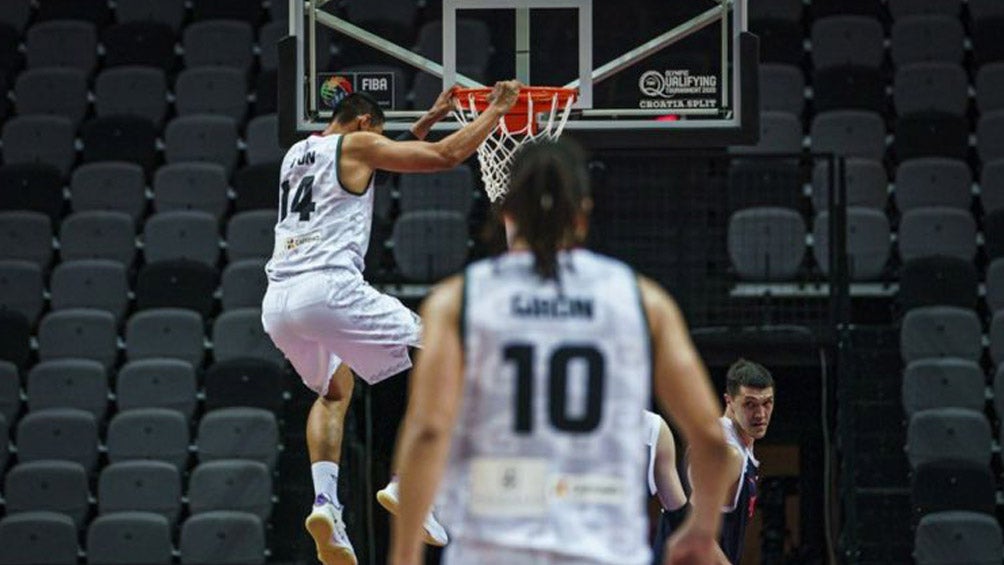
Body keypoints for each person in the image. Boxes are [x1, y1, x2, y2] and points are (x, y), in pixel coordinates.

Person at [389, 139, 734, 565]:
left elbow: (427, 432)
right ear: (583, 213)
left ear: (506, 211)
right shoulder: (642, 300)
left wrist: (404, 555)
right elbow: (710, 438)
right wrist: (701, 532)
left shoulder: (457, 301)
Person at [261, 81, 522, 565]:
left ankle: (326, 505)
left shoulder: (298, 152)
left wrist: (431, 115)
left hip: (278, 303)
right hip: (330, 290)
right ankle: (408, 485)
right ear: (364, 124)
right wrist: (497, 112)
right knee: (446, 360)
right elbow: (443, 157)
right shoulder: (358, 144)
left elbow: (389, 152)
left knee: (334, 392)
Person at [651, 358, 775, 564]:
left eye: (767, 403)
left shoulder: (729, 446)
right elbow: (690, 526)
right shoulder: (727, 454)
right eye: (750, 404)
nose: (760, 414)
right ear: (729, 401)